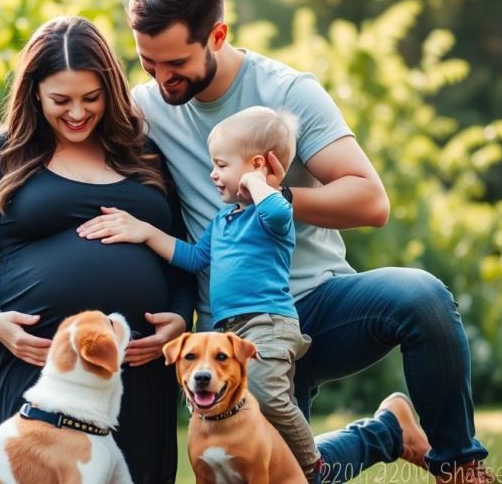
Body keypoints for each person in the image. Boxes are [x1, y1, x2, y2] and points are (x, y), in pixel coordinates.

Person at [108, 0, 492, 483]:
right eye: (147, 63)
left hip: (319, 306)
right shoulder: (146, 110)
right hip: (237, 334)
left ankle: (460, 463)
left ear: (217, 36)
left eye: (175, 64)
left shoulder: (288, 93)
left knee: (423, 298)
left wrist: (271, 193)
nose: (161, 78)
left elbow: (371, 201)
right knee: (289, 475)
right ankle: (389, 431)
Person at [0, 16, 196, 484]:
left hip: (134, 367)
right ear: (34, 93)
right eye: (61, 100)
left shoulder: (144, 153)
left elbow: (181, 255)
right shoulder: (2, 155)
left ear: (110, 91)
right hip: (33, 367)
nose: (77, 113)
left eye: (90, 98)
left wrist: (179, 319)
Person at [79, 105, 323, 481]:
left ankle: (311, 463)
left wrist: (257, 182)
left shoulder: (269, 217)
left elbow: (277, 210)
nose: (213, 174)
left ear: (257, 165)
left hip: (268, 323)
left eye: (222, 165)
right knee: (237, 400)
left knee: (265, 394)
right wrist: (146, 232)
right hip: (229, 329)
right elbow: (193, 258)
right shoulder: (223, 221)